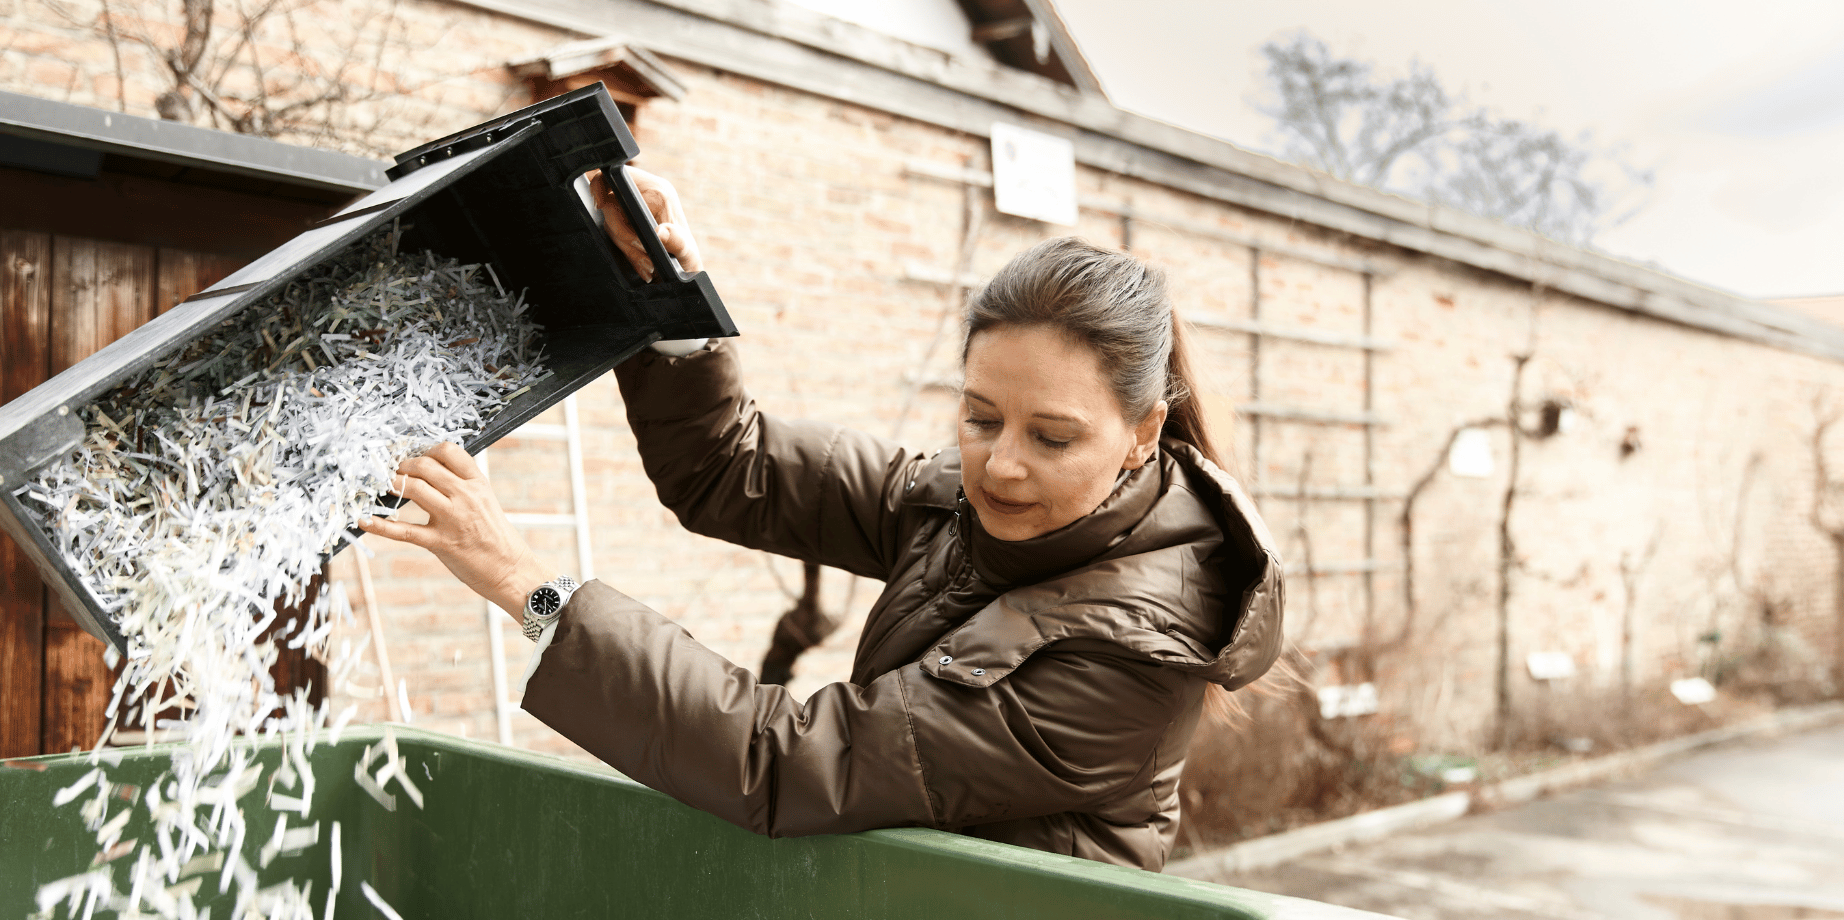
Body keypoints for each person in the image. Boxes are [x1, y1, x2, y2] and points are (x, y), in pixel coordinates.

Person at [357, 169, 1284, 871]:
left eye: (1053, 438)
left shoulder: (1132, 657)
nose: (1000, 465)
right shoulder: (958, 507)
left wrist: (530, 589)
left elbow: (788, 761)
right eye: (980, 417)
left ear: (1142, 434)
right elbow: (731, 467)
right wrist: (666, 297)